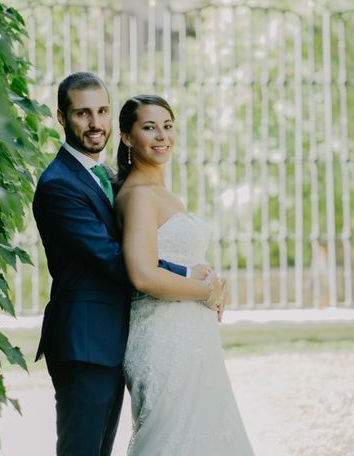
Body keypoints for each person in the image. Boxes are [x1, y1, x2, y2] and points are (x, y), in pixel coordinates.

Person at [32, 72, 220, 455]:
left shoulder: (103, 178)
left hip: (112, 339)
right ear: (60, 117)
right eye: (83, 114)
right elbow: (114, 258)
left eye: (102, 111)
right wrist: (188, 276)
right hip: (83, 341)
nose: (95, 123)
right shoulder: (59, 185)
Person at [115, 95, 255, 455]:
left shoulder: (161, 192)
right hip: (164, 338)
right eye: (149, 128)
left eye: (167, 126)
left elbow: (171, 258)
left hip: (193, 336)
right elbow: (142, 274)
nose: (162, 136)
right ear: (127, 138)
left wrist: (212, 283)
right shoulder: (140, 195)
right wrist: (204, 292)